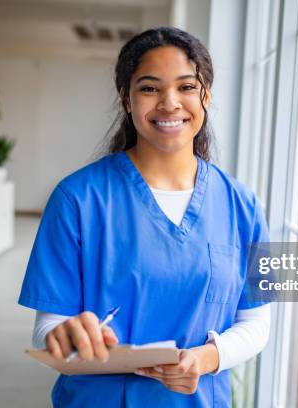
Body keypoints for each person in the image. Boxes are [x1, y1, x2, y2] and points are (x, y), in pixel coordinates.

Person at [18, 27, 271, 407]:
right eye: (150, 88)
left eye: (186, 87)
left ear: (206, 95)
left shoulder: (242, 204)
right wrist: (68, 335)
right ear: (126, 98)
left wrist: (203, 359)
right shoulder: (78, 199)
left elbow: (256, 324)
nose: (170, 103)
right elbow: (46, 328)